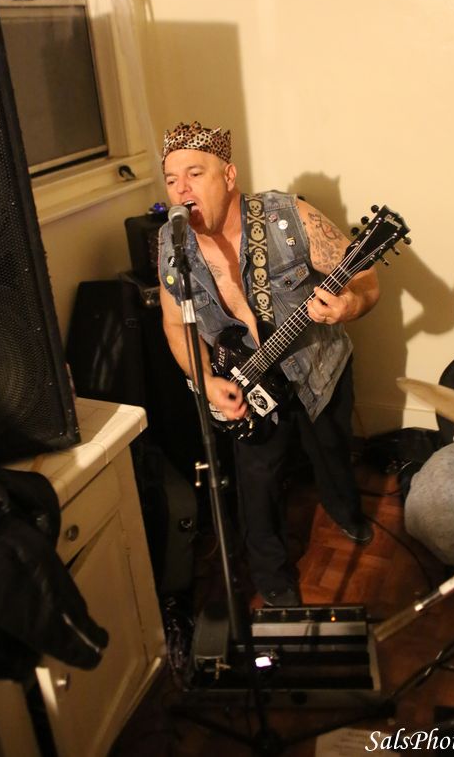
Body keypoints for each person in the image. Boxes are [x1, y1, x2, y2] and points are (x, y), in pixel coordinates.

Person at [158, 121, 380, 607]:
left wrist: (348, 306)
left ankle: (345, 512)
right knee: (255, 486)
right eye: (172, 179)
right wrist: (205, 380)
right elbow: (176, 324)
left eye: (195, 174)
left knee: (332, 452)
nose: (182, 189)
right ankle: (272, 575)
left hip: (318, 370)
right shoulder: (172, 247)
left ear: (229, 175)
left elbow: (365, 277)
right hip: (247, 383)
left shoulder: (289, 217)